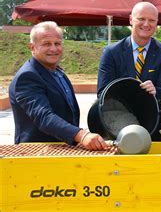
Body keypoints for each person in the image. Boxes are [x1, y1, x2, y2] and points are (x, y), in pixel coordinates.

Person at [9, 21, 109, 150]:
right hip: (36, 154)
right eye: (46, 44)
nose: (53, 49)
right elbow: (44, 117)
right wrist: (82, 135)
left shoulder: (56, 71)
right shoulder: (28, 77)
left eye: (57, 43)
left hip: (61, 149)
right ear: (32, 47)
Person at [97, 1, 161, 141]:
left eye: (151, 20)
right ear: (131, 19)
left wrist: (156, 91)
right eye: (141, 19)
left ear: (157, 23)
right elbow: (102, 92)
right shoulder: (111, 52)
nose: (146, 24)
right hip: (119, 125)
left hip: (155, 124)